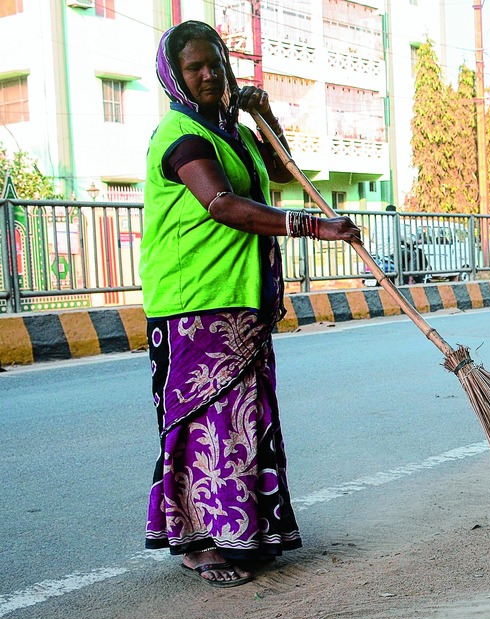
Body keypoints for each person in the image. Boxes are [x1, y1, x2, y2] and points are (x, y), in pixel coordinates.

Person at [140, 20, 360, 587]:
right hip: (196, 302)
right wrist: (315, 227)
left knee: (244, 420)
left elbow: (282, 172)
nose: (211, 74)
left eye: (217, 62)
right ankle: (196, 543)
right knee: (202, 425)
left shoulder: (229, 132)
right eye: (197, 67)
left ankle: (246, 533)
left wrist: (266, 117)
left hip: (241, 300)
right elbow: (221, 204)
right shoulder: (183, 139)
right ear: (175, 77)